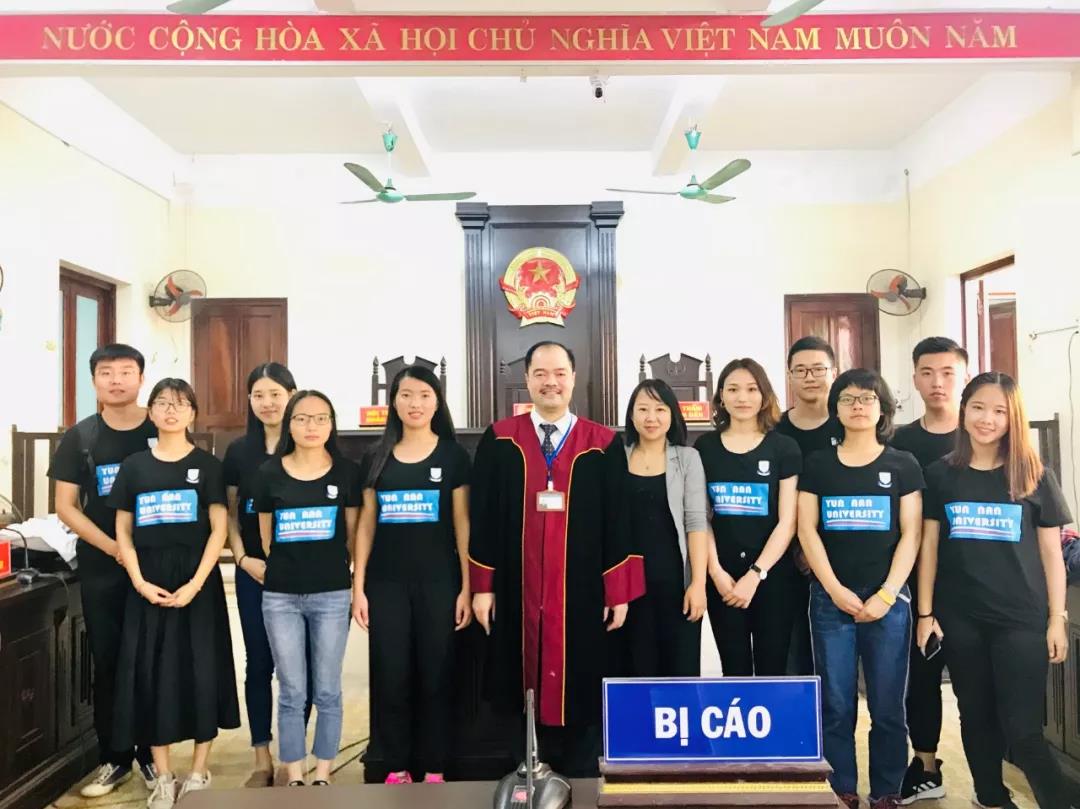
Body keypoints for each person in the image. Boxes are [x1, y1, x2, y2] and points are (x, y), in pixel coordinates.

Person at [468, 341, 643, 777]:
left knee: (581, 672)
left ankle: (579, 771)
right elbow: (482, 516)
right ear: (527, 379)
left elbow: (620, 520)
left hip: (581, 589)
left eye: (560, 373)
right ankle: (525, 769)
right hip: (516, 585)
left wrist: (618, 591)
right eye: (541, 374)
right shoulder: (500, 439)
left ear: (573, 378)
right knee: (515, 670)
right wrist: (482, 587)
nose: (551, 382)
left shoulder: (602, 443)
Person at [917, 372, 1079, 809]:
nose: (987, 419)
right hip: (960, 617)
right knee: (975, 716)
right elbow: (929, 548)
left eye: (999, 411)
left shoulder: (1034, 476)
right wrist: (926, 614)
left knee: (1023, 730)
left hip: (1021, 618)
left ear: (1013, 418)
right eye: (978, 408)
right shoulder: (941, 474)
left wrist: (1057, 619)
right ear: (964, 411)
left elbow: (1052, 555)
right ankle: (990, 797)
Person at [107, 379, 239, 809]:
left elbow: (218, 529)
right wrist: (139, 581)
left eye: (180, 404)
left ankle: (199, 771)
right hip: (147, 583)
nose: (170, 410)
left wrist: (196, 584)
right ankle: (163, 776)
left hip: (197, 583)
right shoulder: (134, 466)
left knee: (202, 670)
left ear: (192, 413)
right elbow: (123, 529)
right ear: (150, 412)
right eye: (162, 403)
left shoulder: (208, 465)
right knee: (150, 674)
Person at [798, 368, 924, 809]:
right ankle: (842, 788)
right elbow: (807, 530)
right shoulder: (818, 464)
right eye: (848, 399)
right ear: (835, 409)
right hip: (830, 600)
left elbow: (912, 534)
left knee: (888, 706)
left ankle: (887, 790)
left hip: (888, 600)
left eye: (867, 399)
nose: (857, 406)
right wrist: (833, 589)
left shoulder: (902, 464)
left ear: (882, 409)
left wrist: (888, 593)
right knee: (836, 704)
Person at [48, 344, 159, 797]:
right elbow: (65, 506)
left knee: (152, 659)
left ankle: (153, 757)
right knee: (108, 659)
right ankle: (114, 758)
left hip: (157, 563)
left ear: (141, 378)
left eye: (126, 371)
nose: (116, 380)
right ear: (94, 380)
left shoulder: (160, 427)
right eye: (107, 372)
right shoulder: (82, 437)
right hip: (103, 563)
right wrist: (115, 547)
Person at [353, 366, 472, 784]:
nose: (415, 404)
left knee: (436, 675)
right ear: (394, 401)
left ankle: (436, 768)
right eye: (406, 395)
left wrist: (467, 587)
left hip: (439, 583)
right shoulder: (375, 456)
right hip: (386, 585)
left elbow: (462, 525)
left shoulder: (453, 456)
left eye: (424, 395)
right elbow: (366, 525)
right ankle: (397, 765)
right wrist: (358, 587)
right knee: (392, 675)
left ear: (437, 401)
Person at [253, 390, 361, 787]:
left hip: (332, 594)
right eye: (301, 418)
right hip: (281, 596)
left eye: (320, 418)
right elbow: (267, 539)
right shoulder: (269, 473)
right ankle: (295, 773)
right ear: (289, 425)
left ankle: (323, 773)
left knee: (328, 688)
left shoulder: (346, 473)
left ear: (331, 425)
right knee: (292, 689)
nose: (311, 426)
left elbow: (352, 536)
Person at [223, 362, 310, 788]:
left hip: (304, 574)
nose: (268, 403)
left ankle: (295, 756)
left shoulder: (309, 443)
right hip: (254, 572)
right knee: (258, 662)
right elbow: (230, 513)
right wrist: (242, 559)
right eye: (259, 395)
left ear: (292, 394)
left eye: (276, 393)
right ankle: (261, 757)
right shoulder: (239, 452)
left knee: (301, 667)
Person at [891, 337, 967, 804]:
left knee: (978, 680)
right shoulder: (901, 442)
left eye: (947, 372)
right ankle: (925, 764)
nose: (937, 382)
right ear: (915, 378)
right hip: (916, 576)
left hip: (975, 578)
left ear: (963, 376)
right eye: (927, 372)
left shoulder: (983, 434)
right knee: (920, 676)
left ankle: (991, 770)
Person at [695, 358, 801, 676]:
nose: (742, 397)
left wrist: (756, 574)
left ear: (764, 395)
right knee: (734, 669)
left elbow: (788, 521)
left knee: (773, 669)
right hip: (723, 579)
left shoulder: (784, 447)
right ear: (721, 397)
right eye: (733, 390)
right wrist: (715, 572)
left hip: (772, 576)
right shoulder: (705, 447)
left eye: (752, 389)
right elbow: (701, 517)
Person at [622, 378, 708, 677]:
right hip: (629, 588)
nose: (651, 417)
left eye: (660, 409)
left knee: (680, 672)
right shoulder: (617, 457)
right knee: (633, 671)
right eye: (643, 409)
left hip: (676, 584)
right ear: (631, 415)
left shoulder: (687, 459)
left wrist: (698, 584)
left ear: (672, 414)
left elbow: (696, 523)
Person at [775, 336, 841, 675]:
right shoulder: (775, 429)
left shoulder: (849, 425)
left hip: (838, 554)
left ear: (834, 372)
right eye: (800, 370)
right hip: (784, 557)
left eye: (818, 369)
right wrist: (796, 548)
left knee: (836, 660)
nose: (810, 377)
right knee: (791, 652)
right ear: (789, 376)